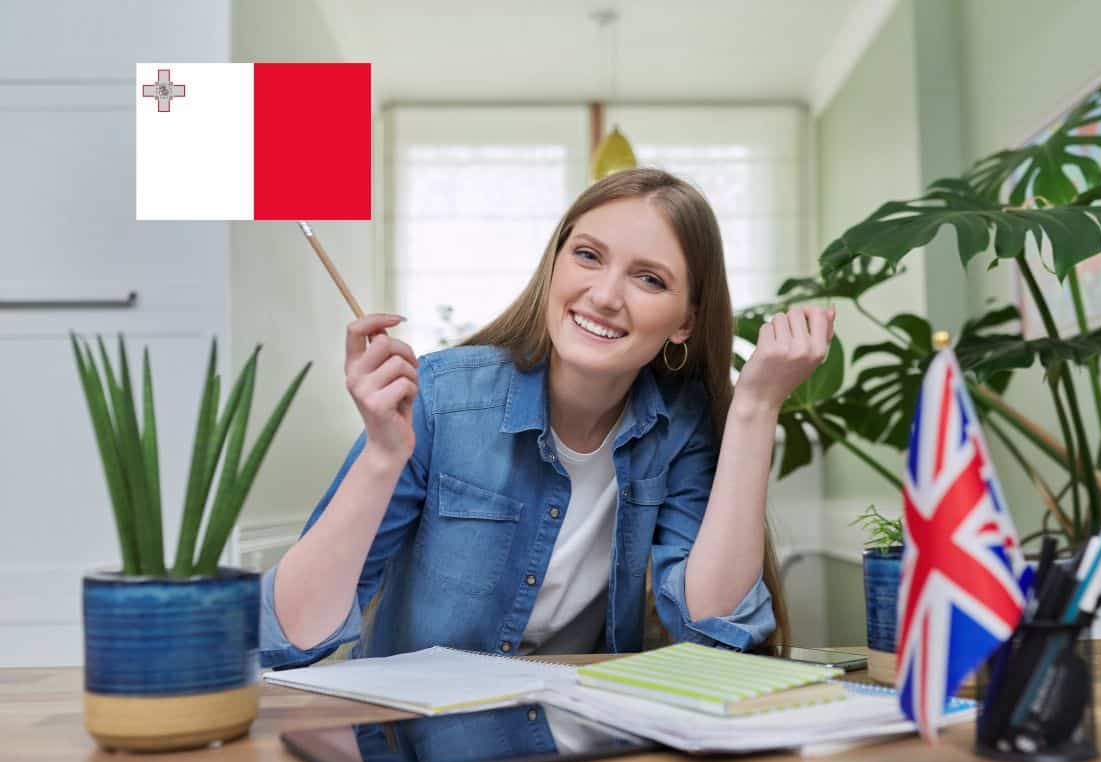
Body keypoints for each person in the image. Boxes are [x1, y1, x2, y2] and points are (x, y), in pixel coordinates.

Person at [260, 168, 835, 669]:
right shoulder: (442, 395)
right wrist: (384, 456)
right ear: (554, 264)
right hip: (417, 753)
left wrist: (756, 407)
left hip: (580, 744)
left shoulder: (680, 426)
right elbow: (292, 636)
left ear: (685, 321)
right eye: (588, 255)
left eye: (649, 278)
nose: (605, 295)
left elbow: (714, 629)